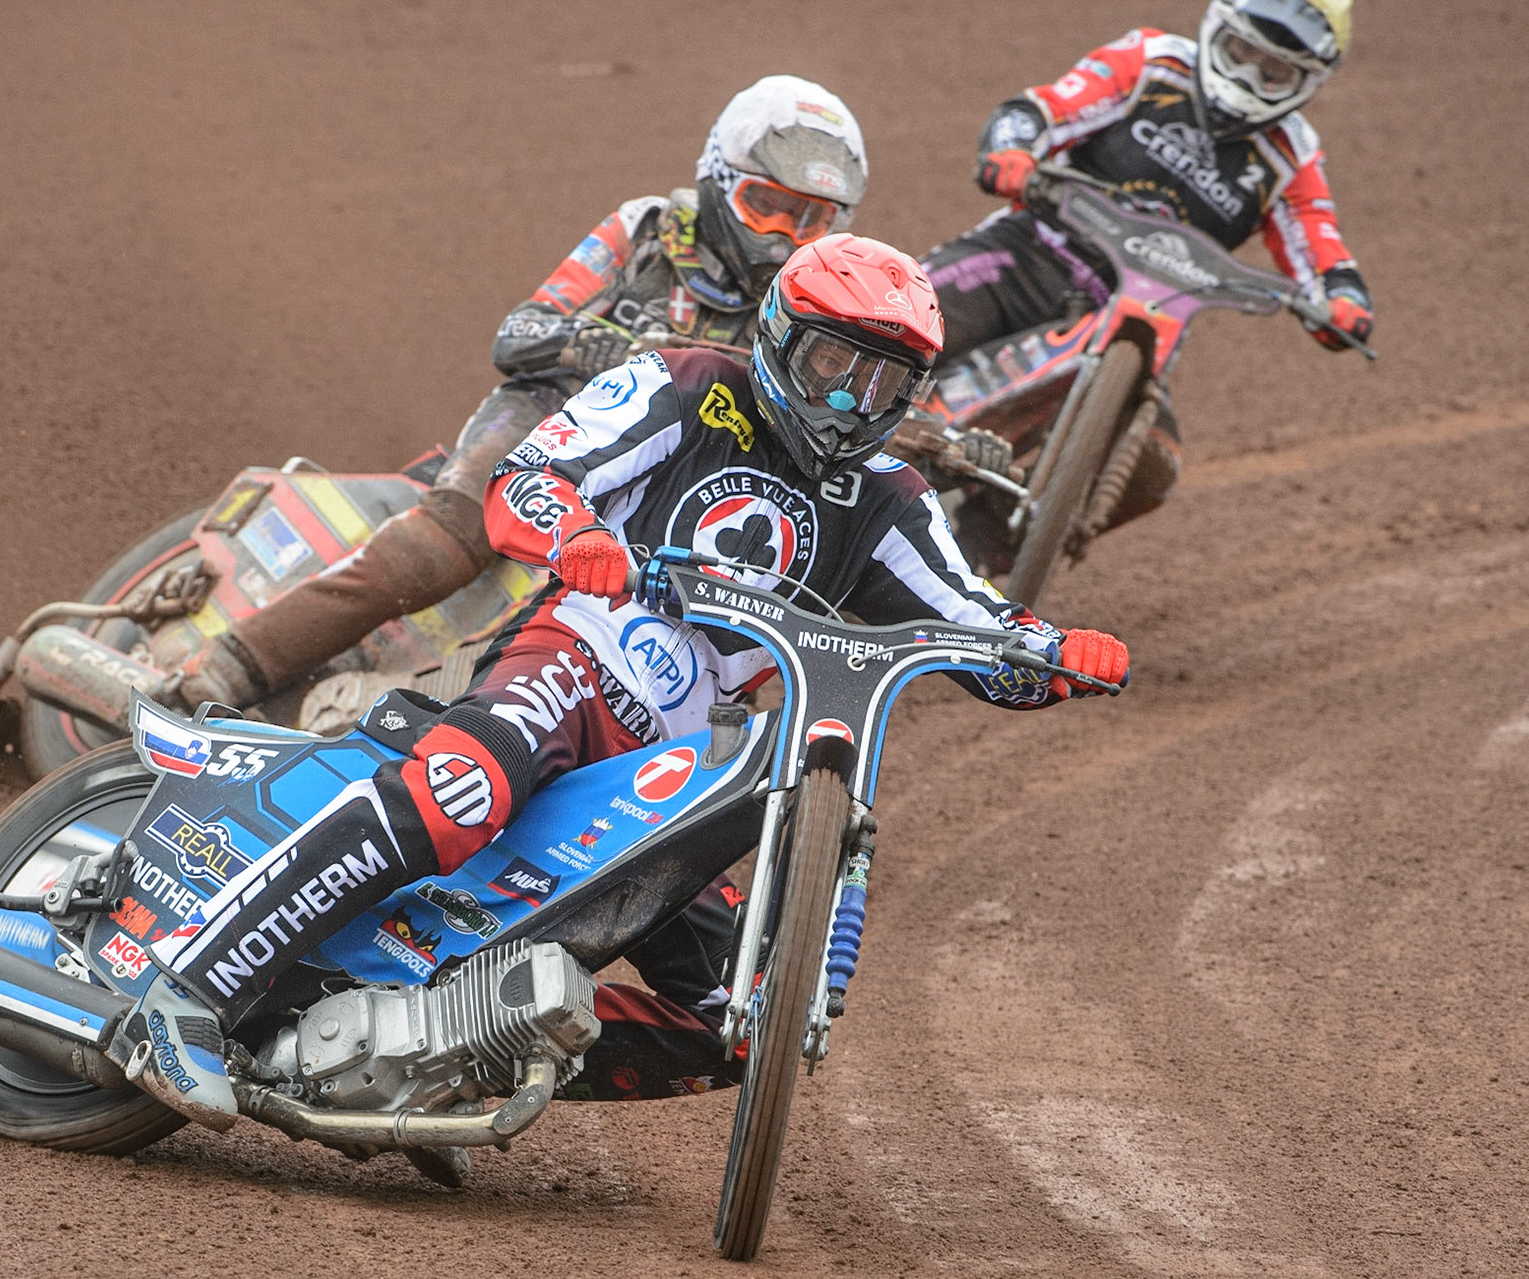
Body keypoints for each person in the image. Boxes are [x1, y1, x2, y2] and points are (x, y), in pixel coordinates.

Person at [120, 235, 1131, 1125]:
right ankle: (180, 996)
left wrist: (1048, 652)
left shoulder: (888, 497)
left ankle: (449, 1058)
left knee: (733, 1019)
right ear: (783, 334)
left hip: (685, 761)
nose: (849, 403)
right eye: (834, 365)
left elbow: (970, 615)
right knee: (453, 795)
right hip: (577, 661)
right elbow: (529, 479)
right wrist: (581, 534)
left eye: (882, 385)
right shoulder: (685, 383)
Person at [177, 74, 871, 711]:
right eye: (769, 208)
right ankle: (236, 663)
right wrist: (588, 343)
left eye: (812, 220)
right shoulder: (646, 232)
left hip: (668, 478)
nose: (786, 239)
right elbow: (518, 332)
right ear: (720, 181)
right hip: (555, 420)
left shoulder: (805, 308)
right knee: (447, 543)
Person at [922, 0, 1370, 533]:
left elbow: (1320, 244)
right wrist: (1014, 150)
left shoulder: (1290, 156)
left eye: (1274, 71)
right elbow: (1044, 109)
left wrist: (1345, 300)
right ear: (1216, 30)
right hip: (1030, 256)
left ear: (1308, 81)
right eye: (1243, 52)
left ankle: (989, 553)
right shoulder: (1153, 63)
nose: (1251, 74)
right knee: (899, 318)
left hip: (1139, 326)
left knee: (1148, 466)